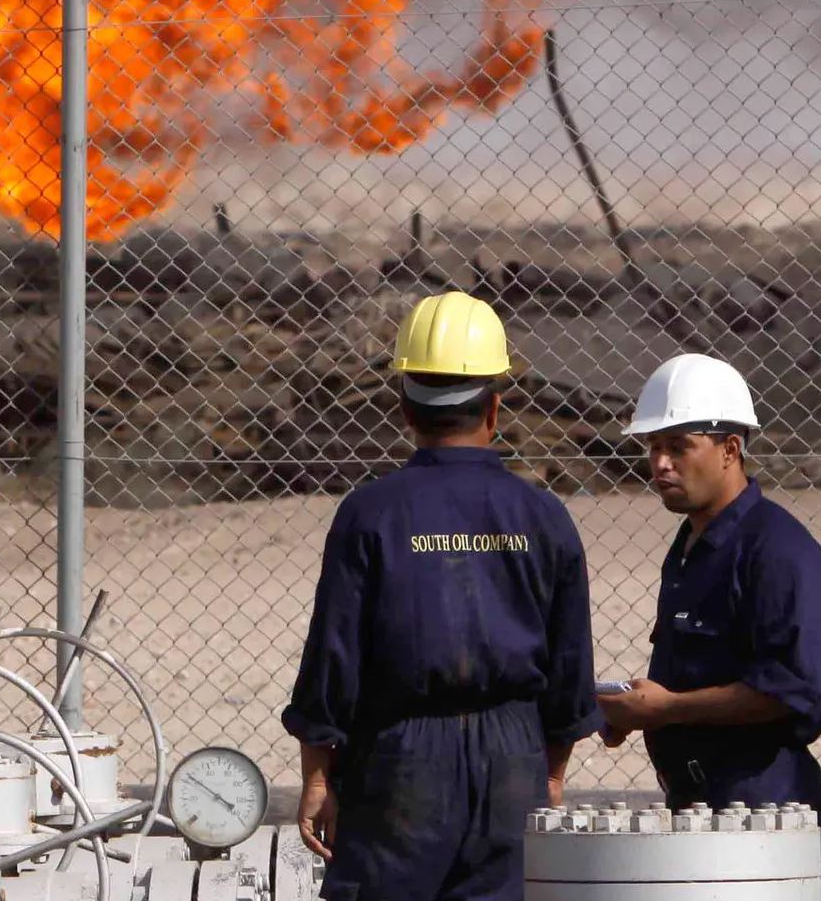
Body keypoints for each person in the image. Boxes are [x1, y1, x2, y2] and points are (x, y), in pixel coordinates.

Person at [282, 291, 599, 901]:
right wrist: (550, 774)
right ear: (495, 406)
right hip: (514, 755)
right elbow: (570, 665)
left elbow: (333, 658)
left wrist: (318, 776)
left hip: (400, 760)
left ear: (405, 407)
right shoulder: (543, 516)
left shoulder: (370, 514)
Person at [599, 353, 821, 809]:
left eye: (678, 446)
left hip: (763, 809)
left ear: (730, 450)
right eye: (653, 446)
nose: (660, 463)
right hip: (698, 801)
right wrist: (635, 710)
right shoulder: (690, 546)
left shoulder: (776, 550)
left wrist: (667, 709)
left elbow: (797, 689)